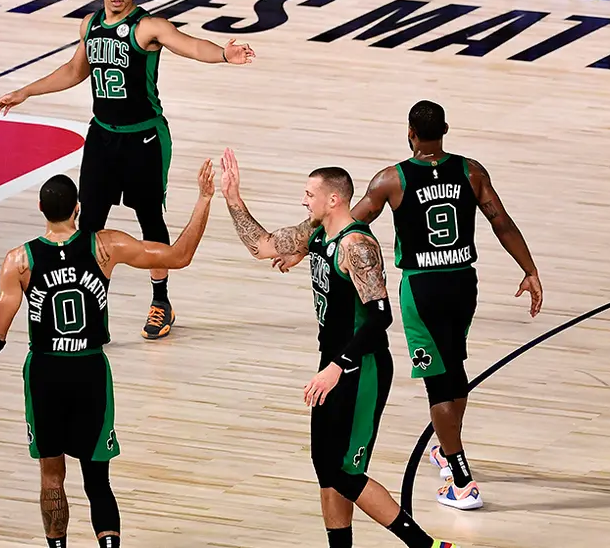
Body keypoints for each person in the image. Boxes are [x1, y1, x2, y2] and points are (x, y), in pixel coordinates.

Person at [0, 159, 216, 548]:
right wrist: (204, 199)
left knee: (51, 477)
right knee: (97, 480)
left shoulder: (19, 261)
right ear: (77, 209)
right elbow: (179, 256)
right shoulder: (105, 246)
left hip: (44, 374)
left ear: (41, 211)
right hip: (89, 370)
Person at [0, 0, 253, 340]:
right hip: (102, 136)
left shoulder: (148, 26)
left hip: (144, 138)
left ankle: (161, 302)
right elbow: (75, 70)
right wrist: (26, 90)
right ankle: (93, 305)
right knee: (89, 224)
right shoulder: (90, 25)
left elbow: (190, 45)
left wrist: (224, 55)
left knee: (150, 220)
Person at [220, 148, 457, 548]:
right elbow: (262, 246)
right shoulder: (316, 234)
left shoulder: (357, 246)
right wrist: (233, 198)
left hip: (360, 365)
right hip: (333, 363)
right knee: (325, 468)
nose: (303, 200)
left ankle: (428, 546)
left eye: (309, 194)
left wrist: (338, 366)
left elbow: (381, 316)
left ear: (334, 199)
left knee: (344, 470)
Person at [351, 100, 543, 510]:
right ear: (446, 130)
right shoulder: (471, 171)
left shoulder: (391, 180)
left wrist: (313, 247)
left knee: (438, 384)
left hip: (422, 288)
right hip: (463, 283)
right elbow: (501, 221)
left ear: (410, 133)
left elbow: (351, 223)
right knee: (454, 370)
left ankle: (461, 480)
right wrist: (529, 269)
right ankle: (447, 448)